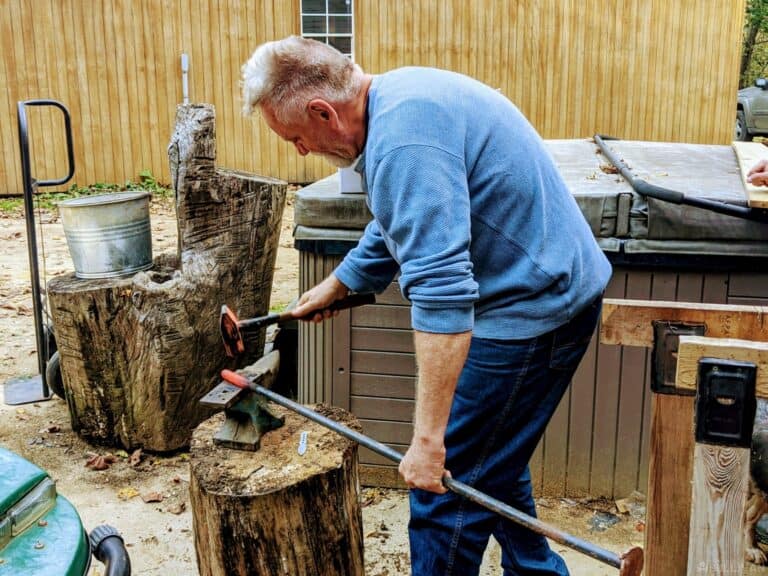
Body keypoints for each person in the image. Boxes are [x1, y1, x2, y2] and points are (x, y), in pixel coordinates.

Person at [241, 36, 611, 576]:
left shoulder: (403, 146)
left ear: (323, 111)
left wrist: (428, 442)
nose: (300, 152)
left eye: (297, 137)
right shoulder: (398, 101)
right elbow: (400, 223)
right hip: (544, 286)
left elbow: (443, 297)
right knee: (491, 453)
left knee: (443, 489)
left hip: (535, 308)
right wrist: (340, 284)